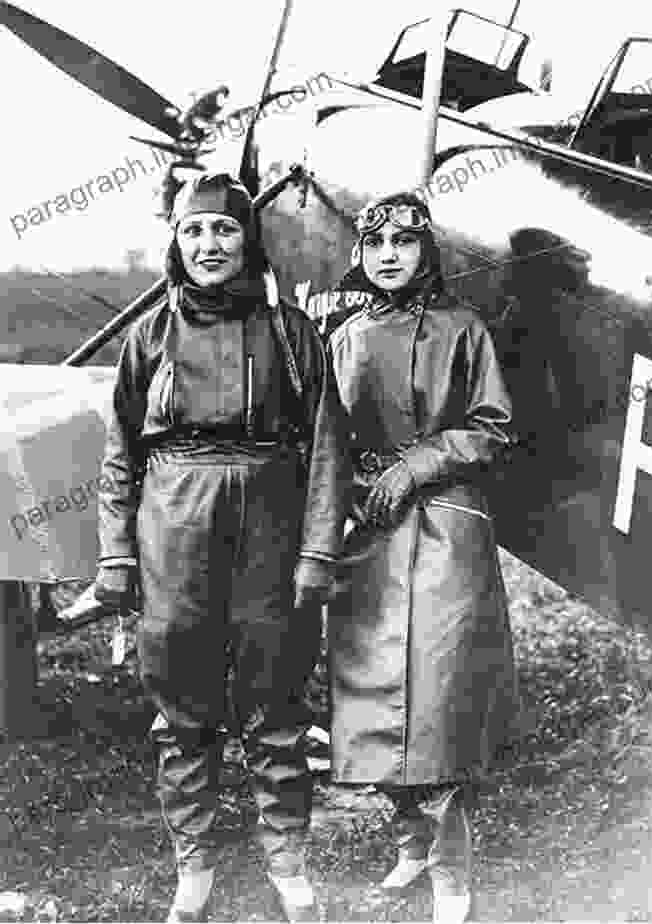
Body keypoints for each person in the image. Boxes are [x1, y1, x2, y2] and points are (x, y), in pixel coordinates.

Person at [92, 171, 350, 922]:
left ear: (249, 240)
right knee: (182, 702)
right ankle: (194, 864)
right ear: (175, 242)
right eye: (194, 230)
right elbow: (119, 457)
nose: (210, 244)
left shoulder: (293, 335)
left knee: (277, 698)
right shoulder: (149, 337)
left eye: (225, 229)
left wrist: (316, 554)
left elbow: (328, 450)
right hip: (173, 524)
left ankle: (287, 861)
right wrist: (117, 554)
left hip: (271, 522)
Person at [327, 192, 519, 923]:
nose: (387, 255)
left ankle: (453, 877)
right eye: (374, 242)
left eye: (404, 242)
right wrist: (350, 486)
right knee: (373, 695)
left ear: (427, 252)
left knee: (432, 703)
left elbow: (493, 427)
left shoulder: (463, 330)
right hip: (372, 535)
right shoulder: (344, 338)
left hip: (444, 528)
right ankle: (410, 838)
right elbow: (328, 440)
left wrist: (417, 465)